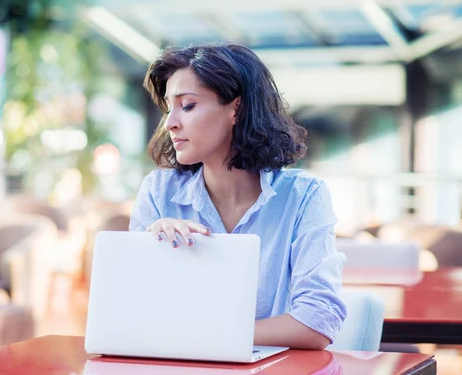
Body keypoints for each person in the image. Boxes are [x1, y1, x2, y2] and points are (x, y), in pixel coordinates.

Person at [129, 43, 346, 350]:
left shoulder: (304, 196)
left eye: (188, 105)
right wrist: (152, 253)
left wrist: (207, 336)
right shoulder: (158, 192)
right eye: (168, 108)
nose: (170, 123)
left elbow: (318, 322)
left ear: (236, 108)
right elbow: (133, 314)